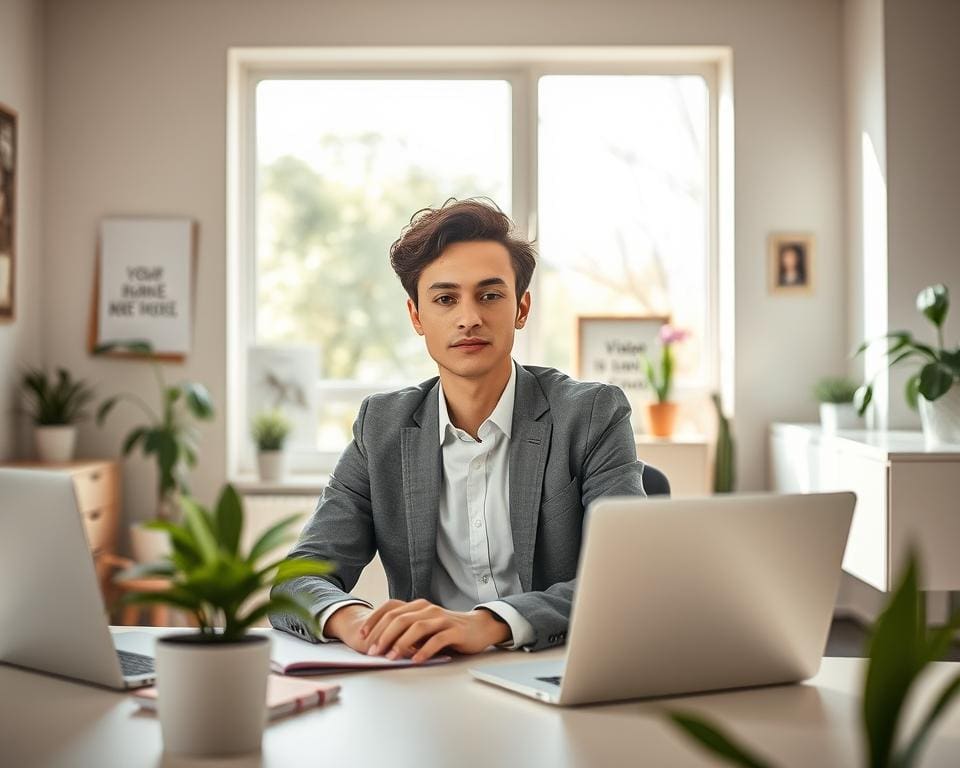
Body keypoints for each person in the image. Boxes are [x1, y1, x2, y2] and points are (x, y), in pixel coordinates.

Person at [270, 198, 646, 661]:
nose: (469, 318)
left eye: (490, 296)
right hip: (426, 674)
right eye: (445, 299)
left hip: (554, 667)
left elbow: (624, 576)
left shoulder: (589, 415)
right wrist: (360, 623)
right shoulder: (381, 427)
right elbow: (297, 581)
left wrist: (486, 624)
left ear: (521, 308)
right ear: (416, 317)